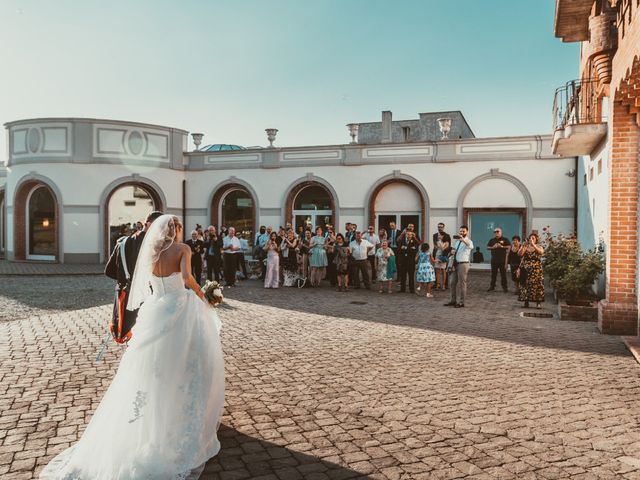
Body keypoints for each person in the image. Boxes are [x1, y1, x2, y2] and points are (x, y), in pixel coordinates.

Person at [41, 215, 225, 479]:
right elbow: (186, 277)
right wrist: (202, 295)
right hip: (179, 308)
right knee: (186, 362)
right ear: (177, 230)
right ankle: (179, 417)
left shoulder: (150, 253)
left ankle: (150, 418)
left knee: (151, 368)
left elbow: (146, 286)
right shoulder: (183, 249)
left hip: (155, 310)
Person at [105, 210, 164, 343]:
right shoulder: (156, 246)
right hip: (148, 295)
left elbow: (109, 271)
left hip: (125, 293)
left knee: (130, 332)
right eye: (159, 227)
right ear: (148, 224)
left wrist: (125, 279)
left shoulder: (122, 243)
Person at [445, 225, 474, 308]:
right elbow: (453, 250)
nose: (461, 232)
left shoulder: (469, 241)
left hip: (463, 264)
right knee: (452, 282)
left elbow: (470, 246)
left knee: (462, 283)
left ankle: (462, 302)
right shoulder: (457, 242)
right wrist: (452, 252)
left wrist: (463, 240)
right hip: (455, 263)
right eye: (460, 231)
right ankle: (453, 301)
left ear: (467, 232)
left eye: (463, 231)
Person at [517, 233, 545, 308]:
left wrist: (534, 245)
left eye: (533, 238)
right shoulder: (526, 246)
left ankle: (538, 303)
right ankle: (526, 301)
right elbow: (520, 254)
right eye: (530, 238)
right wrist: (523, 246)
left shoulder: (539, 246)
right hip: (526, 269)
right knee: (525, 284)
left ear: (536, 240)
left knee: (537, 285)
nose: (531, 239)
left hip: (536, 270)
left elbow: (541, 252)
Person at [487, 227, 510, 292]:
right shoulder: (492, 240)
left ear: (501, 232)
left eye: (498, 231)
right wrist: (493, 247)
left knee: (503, 275)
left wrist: (502, 246)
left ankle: (505, 287)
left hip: (502, 260)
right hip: (494, 260)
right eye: (495, 232)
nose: (496, 233)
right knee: (493, 274)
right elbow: (488, 247)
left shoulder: (505, 239)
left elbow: (509, 246)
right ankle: (492, 286)